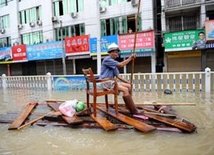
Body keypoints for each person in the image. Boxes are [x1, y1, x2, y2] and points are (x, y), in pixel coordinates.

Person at [100, 43, 142, 115]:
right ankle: (134, 111)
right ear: (111, 52)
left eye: (117, 52)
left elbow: (118, 76)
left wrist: (128, 82)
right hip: (106, 82)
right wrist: (130, 58)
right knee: (125, 89)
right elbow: (121, 65)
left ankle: (128, 106)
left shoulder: (113, 63)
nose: (117, 54)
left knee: (129, 86)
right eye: (116, 52)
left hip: (112, 82)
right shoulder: (107, 59)